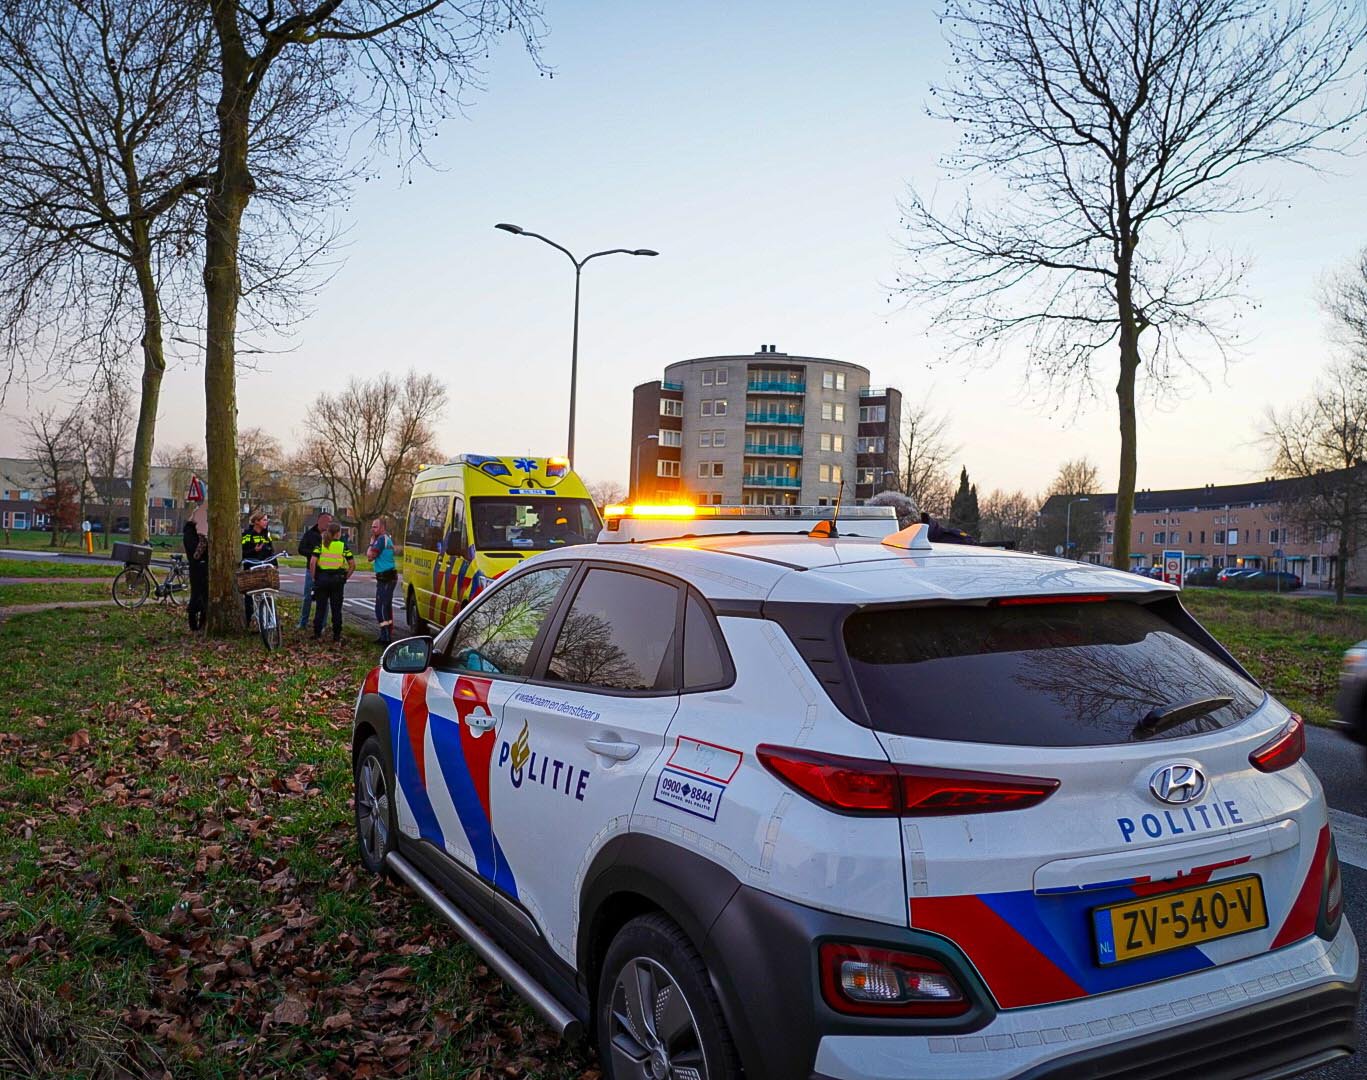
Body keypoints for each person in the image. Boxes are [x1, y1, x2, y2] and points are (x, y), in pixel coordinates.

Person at [309, 522, 354, 643]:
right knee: (336, 609)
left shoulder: (321, 545)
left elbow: (313, 562)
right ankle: (337, 635)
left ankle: (317, 634)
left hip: (322, 579)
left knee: (320, 608)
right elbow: (352, 565)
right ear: (338, 533)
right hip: (337, 580)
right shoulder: (343, 546)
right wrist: (345, 578)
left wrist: (314, 578)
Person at [296, 511, 333, 630]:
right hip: (311, 569)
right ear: (319, 521)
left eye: (330, 522)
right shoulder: (310, 534)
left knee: (324, 599)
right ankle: (303, 622)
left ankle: (322, 624)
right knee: (307, 597)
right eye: (327, 522)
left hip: (326, 571)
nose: (328, 524)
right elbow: (301, 549)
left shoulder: (331, 535)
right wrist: (313, 555)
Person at [240, 510, 275, 628]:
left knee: (267, 593)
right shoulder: (247, 535)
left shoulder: (266, 534)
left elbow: (271, 551)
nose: (267, 522)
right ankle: (250, 620)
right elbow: (242, 552)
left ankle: (269, 620)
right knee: (250, 595)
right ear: (256, 521)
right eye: (264, 520)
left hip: (264, 568)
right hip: (251, 568)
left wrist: (274, 564)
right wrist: (254, 551)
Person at [367, 517, 398, 645]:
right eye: (372, 526)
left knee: (380, 608)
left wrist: (370, 543)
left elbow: (370, 556)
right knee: (385, 607)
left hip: (386, 577)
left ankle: (385, 636)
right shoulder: (387, 539)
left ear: (382, 528)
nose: (372, 529)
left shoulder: (380, 540)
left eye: (375, 527)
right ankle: (386, 633)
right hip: (388, 577)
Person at [183, 504, 209, 631]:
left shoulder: (196, 531)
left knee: (205, 596)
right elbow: (196, 554)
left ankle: (202, 623)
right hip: (197, 568)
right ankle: (194, 625)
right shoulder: (190, 533)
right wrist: (204, 542)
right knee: (197, 595)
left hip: (203, 567)